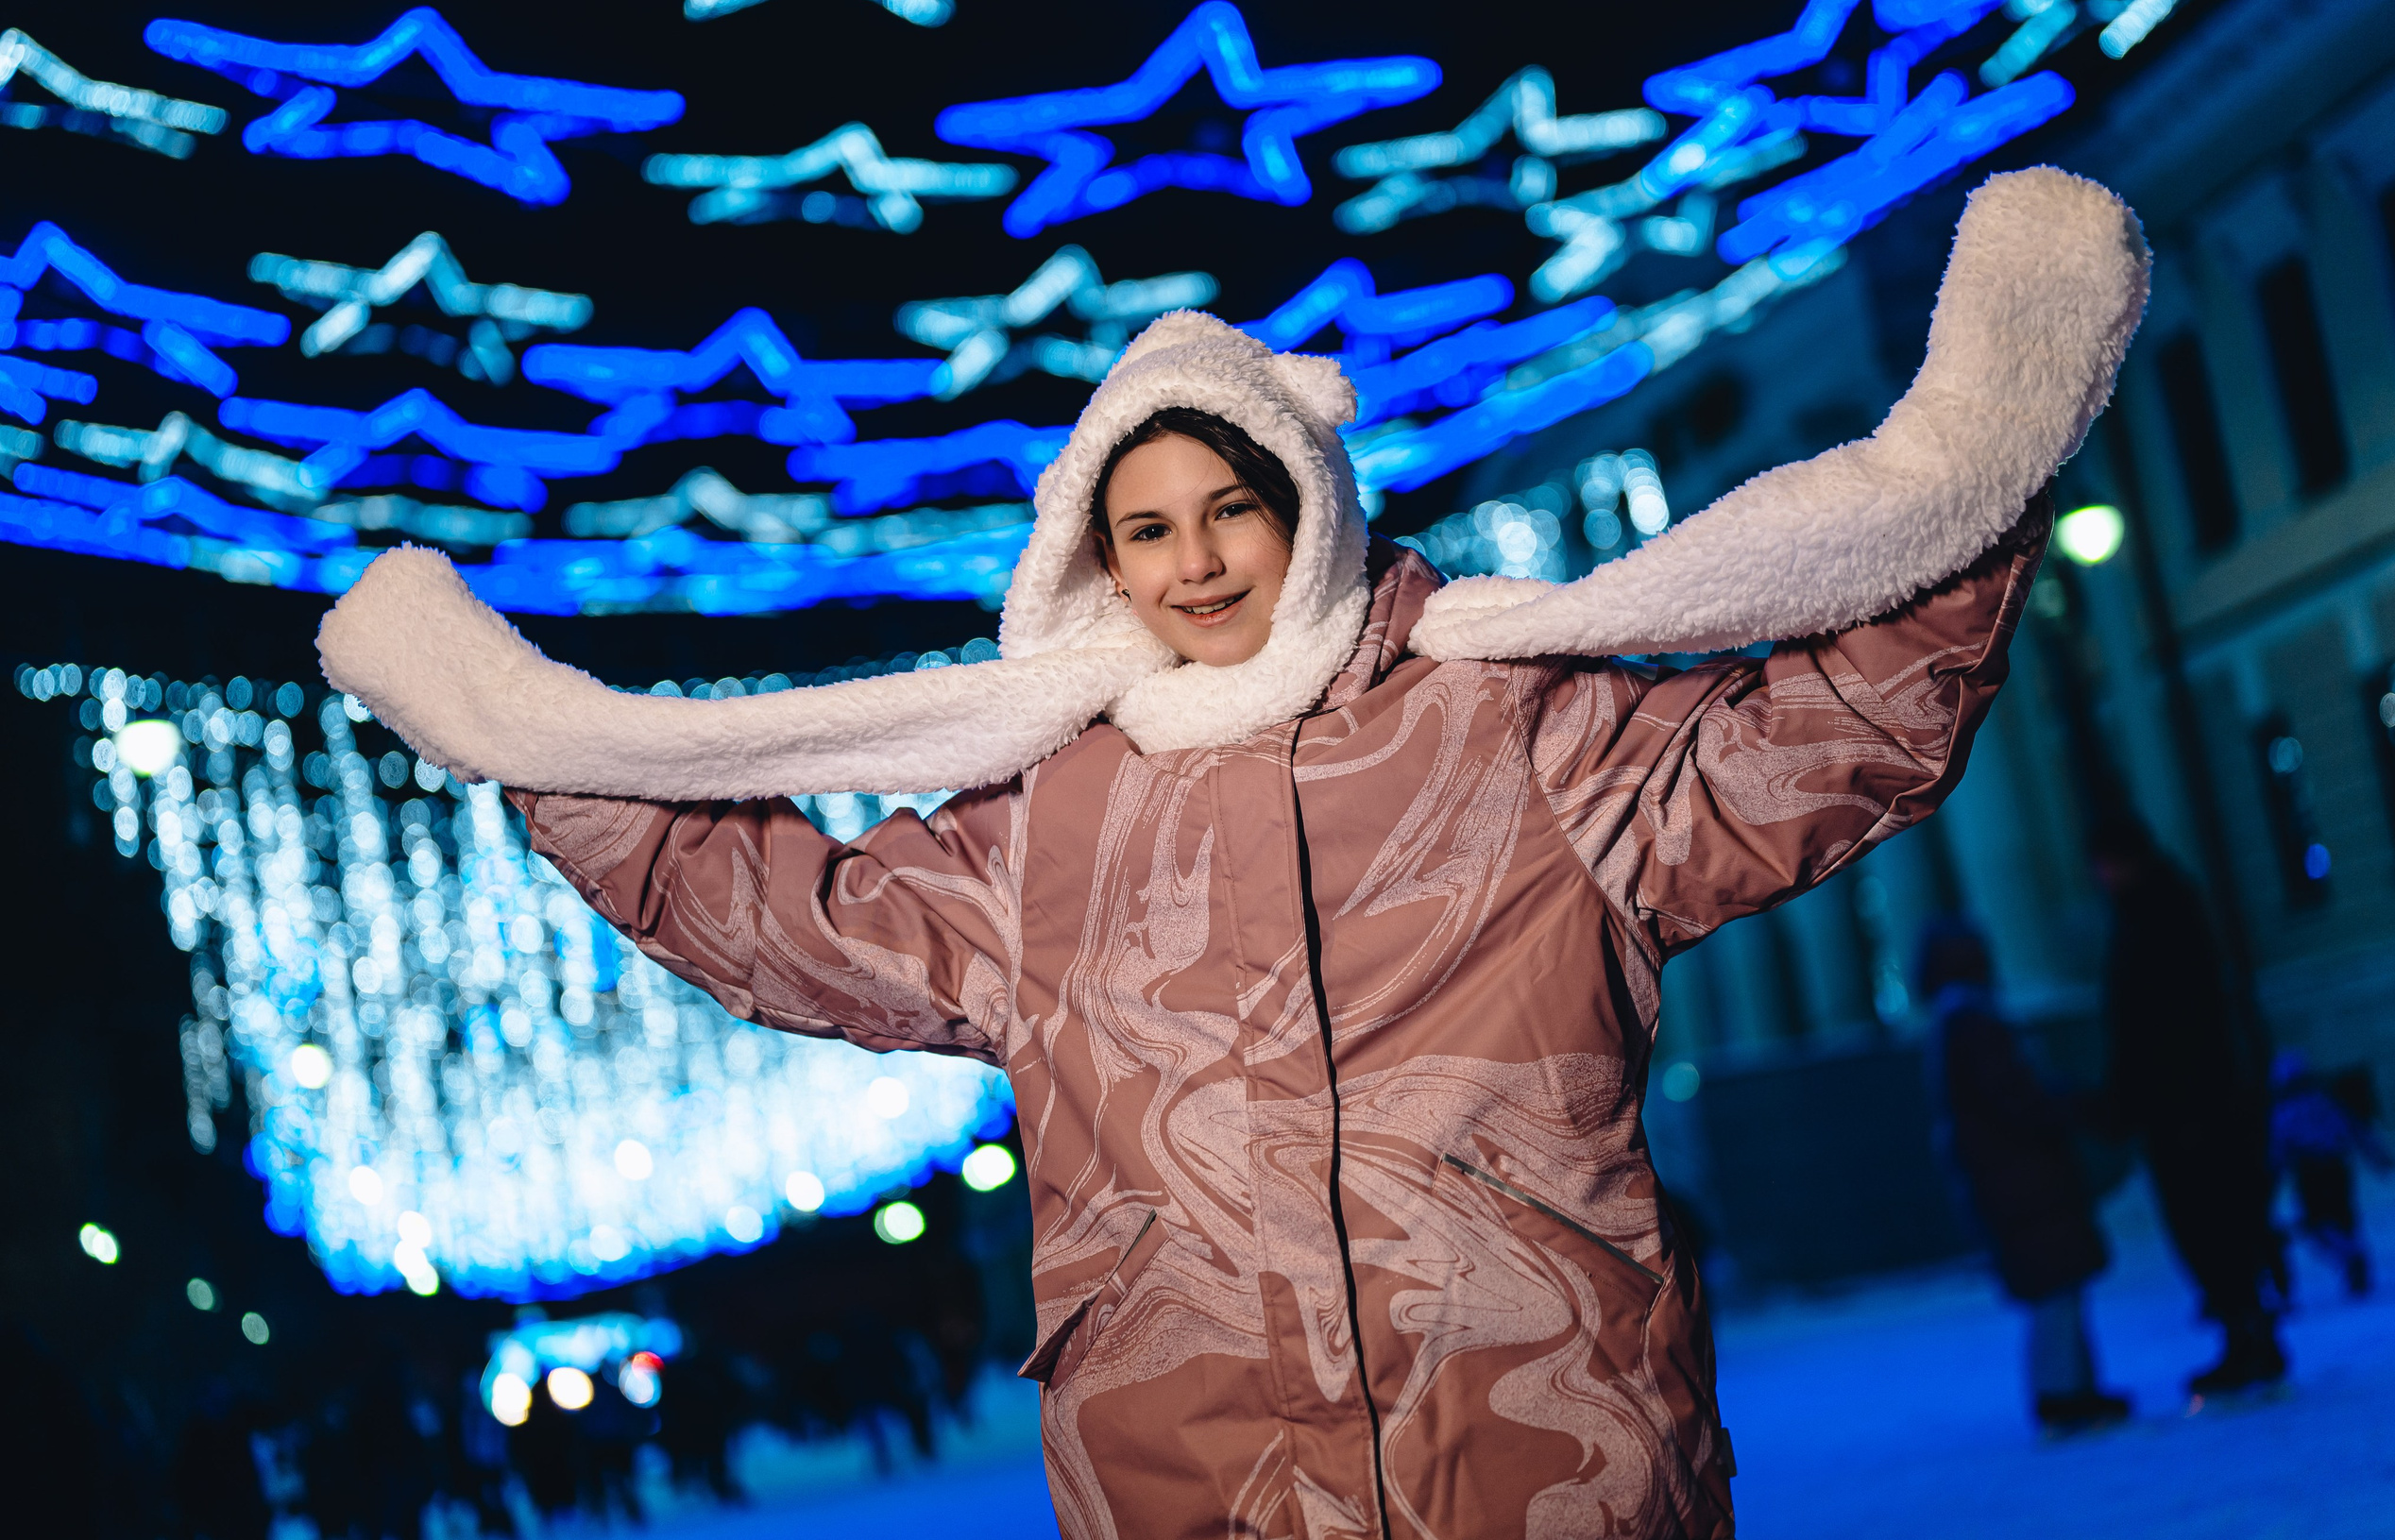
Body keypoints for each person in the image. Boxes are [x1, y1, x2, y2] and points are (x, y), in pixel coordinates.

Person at [320, 169, 2148, 1540]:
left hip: (1546, 1453)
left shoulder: (1513, 733)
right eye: (1147, 531)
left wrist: (1973, 470)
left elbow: (1819, 743)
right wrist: (546, 752)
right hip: (1197, 1481)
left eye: (1231, 509)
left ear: (1309, 503)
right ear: (1095, 559)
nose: (1195, 563)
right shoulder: (1047, 825)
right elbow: (790, 920)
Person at [2088, 814, 2285, 1400]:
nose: (2100, 877)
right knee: (2214, 1222)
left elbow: (2165, 1021)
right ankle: (2246, 1334)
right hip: (2185, 1102)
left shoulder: (2157, 914)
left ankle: (2249, 1337)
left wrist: (2147, 1097)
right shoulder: (2154, 909)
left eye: (2105, 864)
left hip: (2189, 1106)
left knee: (2212, 1221)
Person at [1918, 918, 2129, 1434]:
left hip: (2012, 1183)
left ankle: (2071, 1391)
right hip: (2025, 1182)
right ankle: (2064, 1397)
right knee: (2056, 1288)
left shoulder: (1954, 1023)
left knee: (2054, 1289)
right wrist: (2071, 1109)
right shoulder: (1973, 1022)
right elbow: (2014, 1097)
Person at [2269, 1051, 2393, 1297]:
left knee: (2318, 1223)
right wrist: (2378, 1158)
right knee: (2341, 1219)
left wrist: (2270, 1177)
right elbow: (2357, 1130)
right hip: (2336, 1169)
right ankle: (2354, 1261)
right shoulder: (2329, 1101)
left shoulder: (2285, 1112)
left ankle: (2352, 1259)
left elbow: (2278, 1149)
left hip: (2311, 1173)